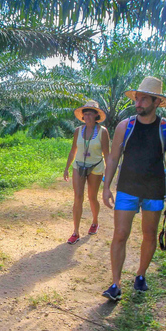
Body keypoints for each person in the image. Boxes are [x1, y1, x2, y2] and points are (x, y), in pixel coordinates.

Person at [100, 77, 166, 301]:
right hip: (127, 187)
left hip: (154, 190)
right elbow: (113, 158)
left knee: (149, 234)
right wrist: (106, 187)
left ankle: (140, 274)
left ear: (157, 101)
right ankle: (115, 284)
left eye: (144, 99)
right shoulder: (124, 126)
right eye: (137, 99)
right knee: (120, 234)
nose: (138, 103)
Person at [63, 100, 111, 244]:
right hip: (79, 166)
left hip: (95, 167)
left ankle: (95, 221)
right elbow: (73, 151)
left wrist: (109, 172)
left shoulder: (103, 132)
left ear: (96, 116)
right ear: (83, 116)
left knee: (92, 197)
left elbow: (107, 153)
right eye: (86, 114)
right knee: (78, 197)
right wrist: (66, 167)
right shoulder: (78, 131)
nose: (88, 116)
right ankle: (76, 232)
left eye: (91, 114)